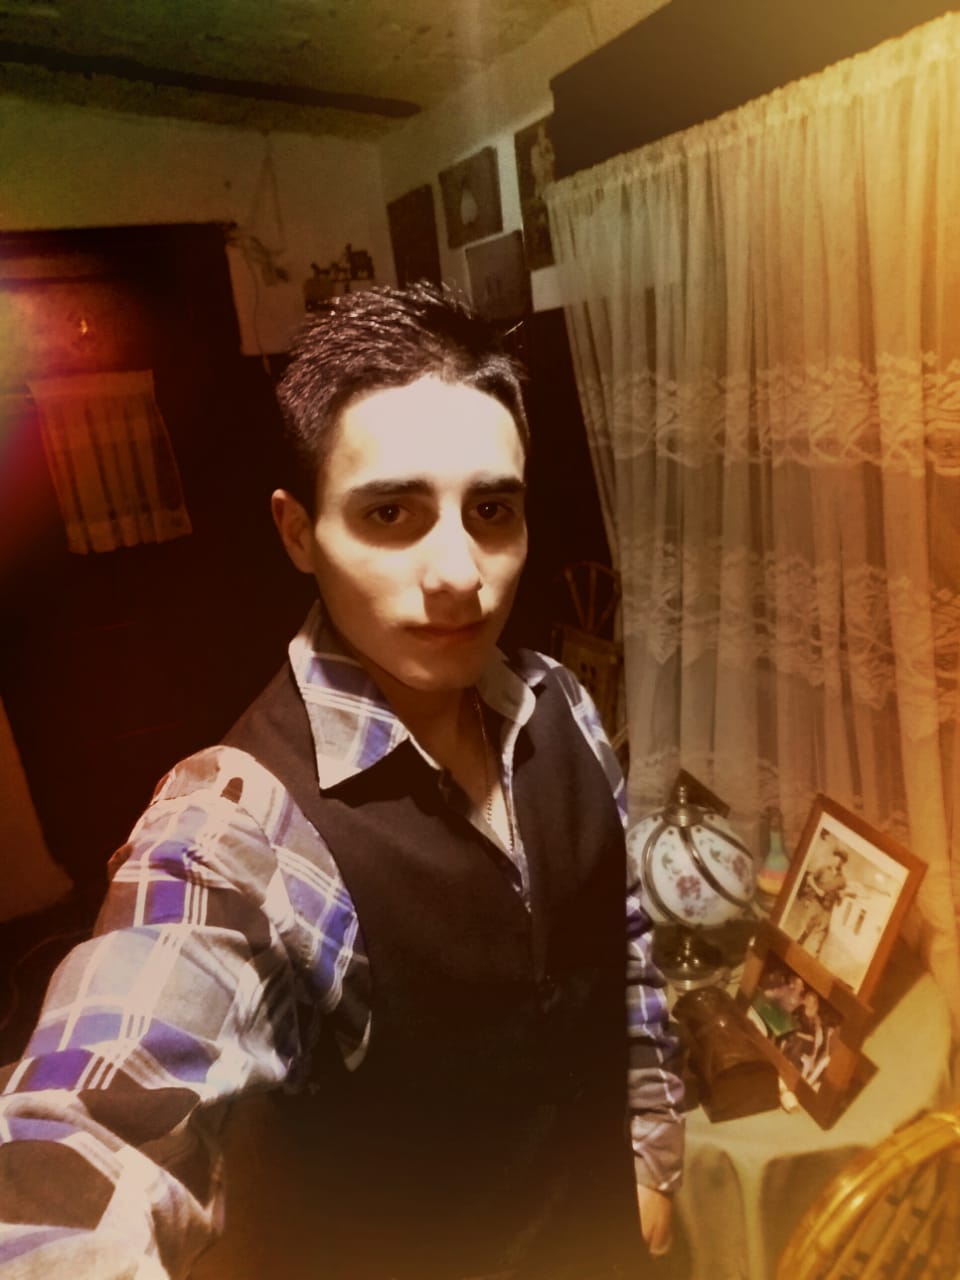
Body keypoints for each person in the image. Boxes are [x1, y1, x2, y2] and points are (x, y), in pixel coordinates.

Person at [0, 283, 683, 1279]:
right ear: (297, 532)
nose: (460, 573)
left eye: (491, 510)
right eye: (392, 513)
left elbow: (621, 941)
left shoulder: (562, 705)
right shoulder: (240, 824)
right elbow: (93, 1123)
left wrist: (651, 1148)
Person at [794, 842, 854, 958]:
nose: (838, 861)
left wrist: (841, 897)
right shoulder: (823, 869)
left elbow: (839, 901)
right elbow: (809, 878)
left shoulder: (842, 880)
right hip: (816, 904)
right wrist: (817, 890)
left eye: (841, 860)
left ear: (843, 863)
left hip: (827, 911)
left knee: (821, 937)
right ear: (833, 857)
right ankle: (797, 946)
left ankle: (814, 956)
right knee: (806, 929)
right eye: (837, 857)